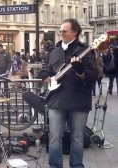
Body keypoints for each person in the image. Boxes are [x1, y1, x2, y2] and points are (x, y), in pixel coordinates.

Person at [39, 19, 97, 168]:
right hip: (56, 100)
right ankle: (55, 166)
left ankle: (77, 166)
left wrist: (80, 71)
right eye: (60, 31)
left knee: (77, 138)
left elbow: (92, 77)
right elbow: (47, 68)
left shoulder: (86, 51)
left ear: (75, 32)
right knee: (54, 137)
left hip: (78, 101)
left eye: (64, 31)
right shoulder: (54, 51)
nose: (61, 33)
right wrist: (45, 74)